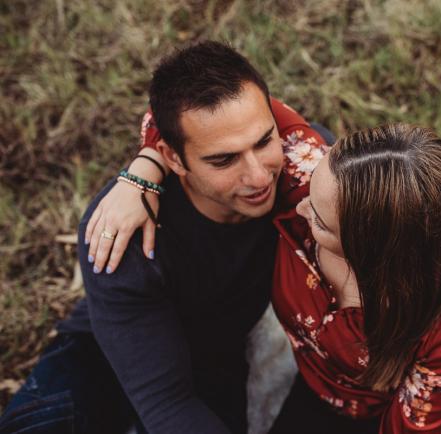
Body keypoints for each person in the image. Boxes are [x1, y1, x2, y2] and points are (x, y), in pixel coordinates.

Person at [83, 121, 441, 433]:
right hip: (320, 394)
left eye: (319, 219)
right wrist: (143, 172)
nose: (300, 209)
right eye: (310, 194)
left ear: (369, 252)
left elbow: (409, 428)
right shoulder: (305, 175)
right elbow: (192, 108)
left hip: (410, 408)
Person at [0, 41, 330, 434]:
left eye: (263, 142)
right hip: (104, 357)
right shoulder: (123, 227)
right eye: (223, 160)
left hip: (212, 360)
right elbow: (163, 399)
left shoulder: (308, 175)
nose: (259, 177)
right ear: (173, 158)